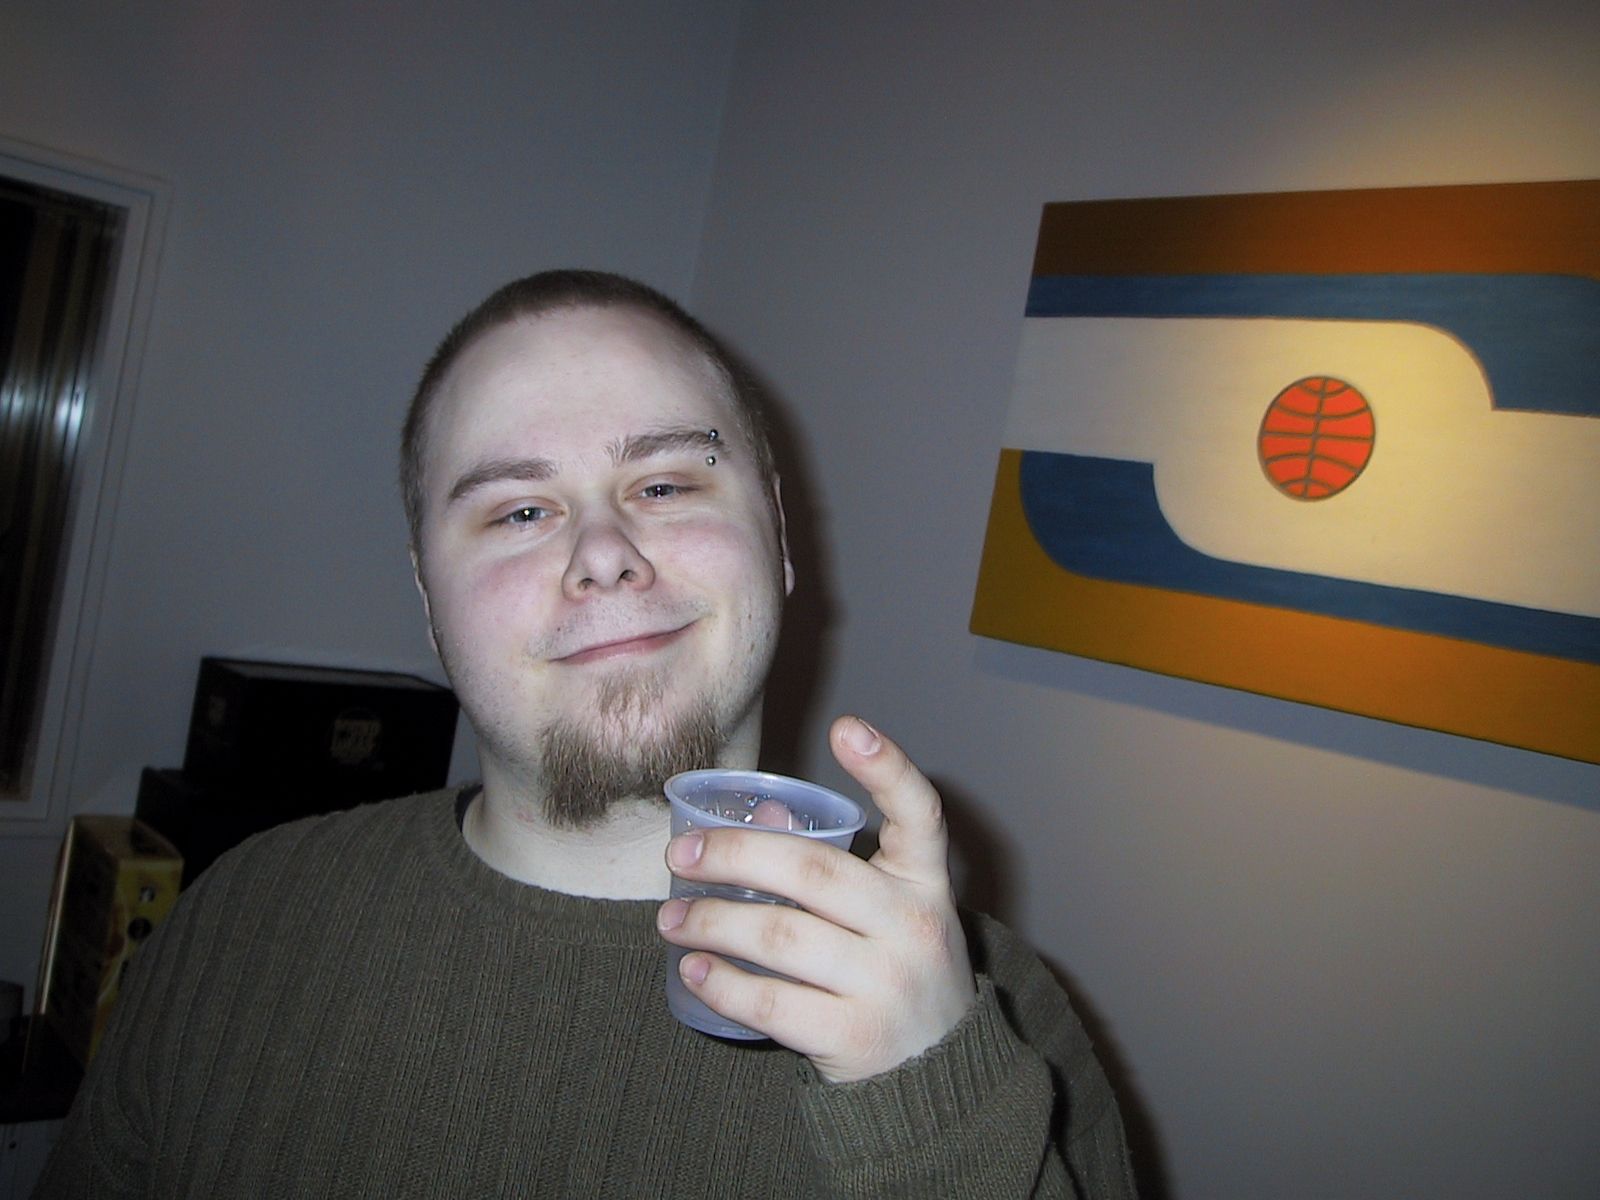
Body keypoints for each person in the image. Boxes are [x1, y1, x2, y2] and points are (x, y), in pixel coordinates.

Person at [36, 271, 1137, 1198]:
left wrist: (931, 1105)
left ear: (779, 537)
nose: (603, 553)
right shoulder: (241, 920)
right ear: (428, 596)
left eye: (663, 482)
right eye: (520, 510)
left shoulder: (988, 1009)